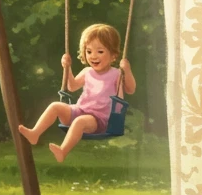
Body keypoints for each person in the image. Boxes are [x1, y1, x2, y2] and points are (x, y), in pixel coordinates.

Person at [18, 23, 137, 161]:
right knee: (55, 106)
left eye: (100, 51)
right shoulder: (87, 72)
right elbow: (72, 86)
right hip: (79, 110)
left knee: (79, 121)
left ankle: (63, 151)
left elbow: (131, 89)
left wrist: (126, 70)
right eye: (89, 51)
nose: (93, 56)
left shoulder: (116, 74)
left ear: (113, 55)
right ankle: (35, 134)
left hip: (100, 120)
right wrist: (67, 68)